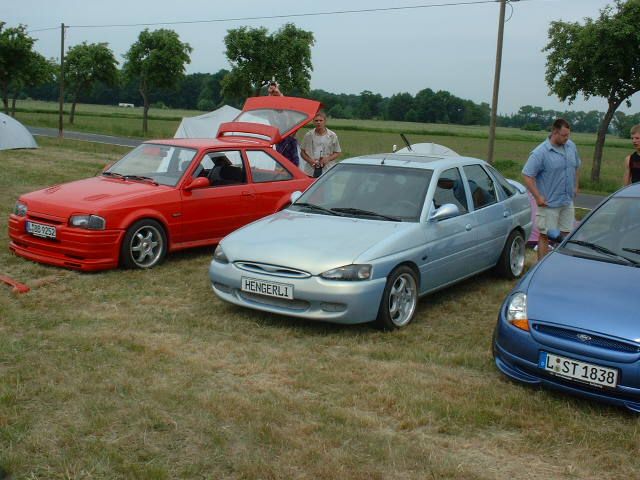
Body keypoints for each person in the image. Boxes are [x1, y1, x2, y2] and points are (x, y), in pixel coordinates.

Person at [522, 118, 581, 260]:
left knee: (566, 234)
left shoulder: (571, 146)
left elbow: (577, 166)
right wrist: (538, 197)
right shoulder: (540, 152)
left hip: (567, 201)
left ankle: (562, 264)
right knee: (545, 235)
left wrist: (576, 185)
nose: (567, 138)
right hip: (549, 203)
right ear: (555, 132)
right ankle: (542, 266)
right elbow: (527, 175)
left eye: (568, 135)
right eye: (564, 135)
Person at [300, 110, 342, 177]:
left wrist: (327, 159)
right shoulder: (308, 135)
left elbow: (337, 152)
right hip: (310, 169)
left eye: (320, 120)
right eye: (316, 121)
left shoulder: (332, 135)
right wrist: (310, 161)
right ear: (313, 122)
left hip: (327, 169)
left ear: (325, 121)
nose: (318, 122)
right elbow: (302, 152)